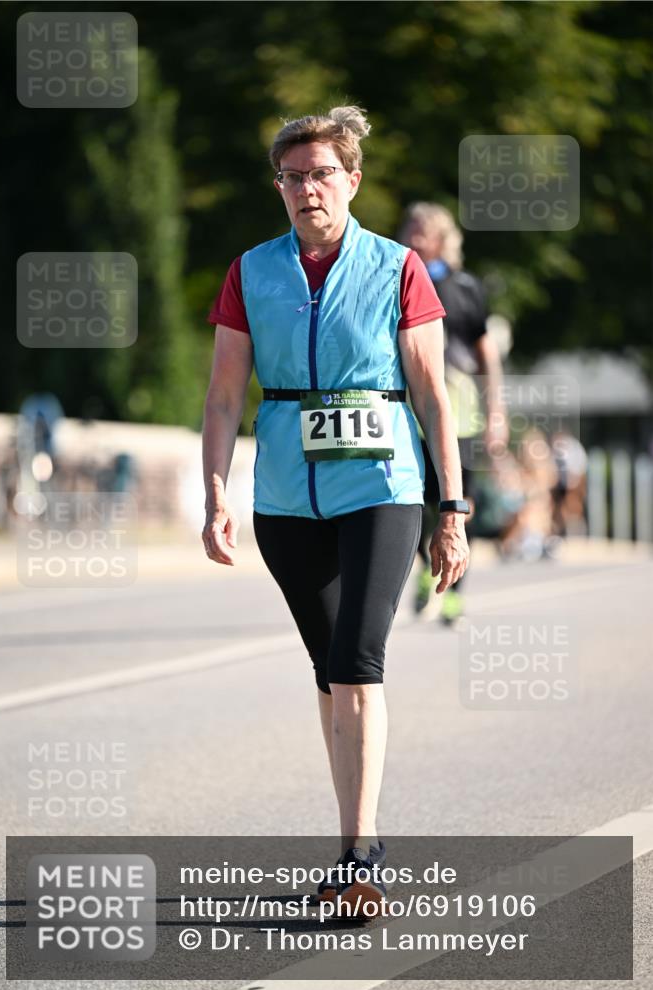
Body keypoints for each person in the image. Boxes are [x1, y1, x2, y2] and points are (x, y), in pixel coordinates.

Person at [202, 107, 469, 916]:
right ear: (278, 187)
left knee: (356, 661)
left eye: (321, 174)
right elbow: (223, 397)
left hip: (382, 487)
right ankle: (355, 838)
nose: (306, 189)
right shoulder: (251, 272)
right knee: (328, 671)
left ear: (351, 180)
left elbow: (432, 395)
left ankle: (359, 855)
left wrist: (450, 509)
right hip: (286, 497)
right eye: (292, 177)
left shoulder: (397, 267)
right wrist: (215, 493)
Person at [399, 203, 509, 624]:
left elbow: (486, 354)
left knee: (460, 505)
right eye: (409, 228)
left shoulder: (465, 287)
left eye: (423, 230)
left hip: (462, 417)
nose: (413, 236)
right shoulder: (395, 278)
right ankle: (425, 567)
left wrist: (496, 411)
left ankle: (455, 593)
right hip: (409, 414)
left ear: (443, 240)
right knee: (411, 503)